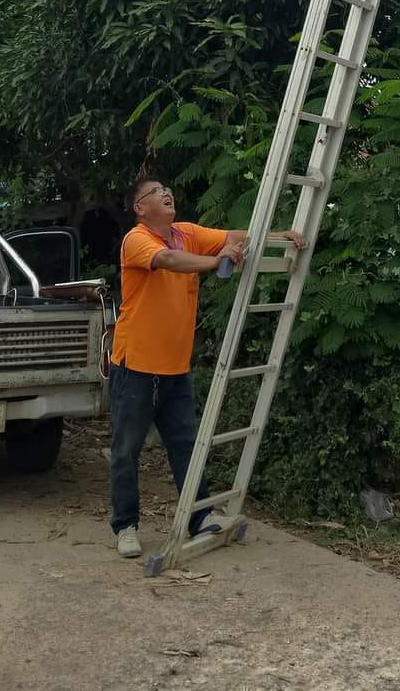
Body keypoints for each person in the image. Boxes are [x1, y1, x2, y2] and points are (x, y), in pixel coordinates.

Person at [108, 176, 304, 559]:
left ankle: (199, 517)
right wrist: (217, 261)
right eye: (155, 192)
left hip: (175, 367)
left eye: (168, 190)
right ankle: (126, 525)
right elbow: (167, 261)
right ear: (140, 208)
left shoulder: (186, 233)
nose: (167, 194)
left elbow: (232, 234)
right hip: (137, 366)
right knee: (126, 450)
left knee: (186, 444)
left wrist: (280, 234)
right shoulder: (138, 240)